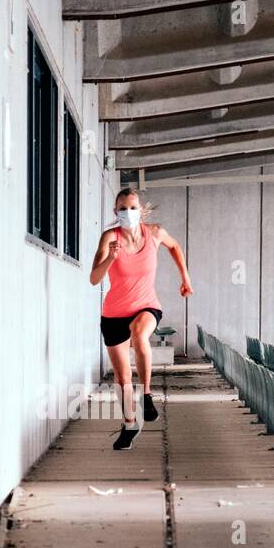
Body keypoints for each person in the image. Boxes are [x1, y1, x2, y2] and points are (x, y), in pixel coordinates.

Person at [89, 187, 194, 449]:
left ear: (141, 211)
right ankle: (129, 424)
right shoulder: (109, 238)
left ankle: (146, 394)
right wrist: (111, 258)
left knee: (139, 332)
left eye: (132, 208)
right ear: (116, 212)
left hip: (146, 306)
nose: (128, 213)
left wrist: (185, 277)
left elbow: (175, 246)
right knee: (122, 378)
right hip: (113, 314)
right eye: (122, 209)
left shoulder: (154, 233)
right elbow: (94, 279)